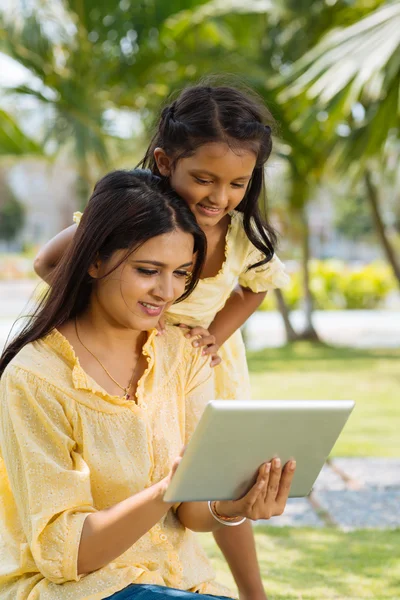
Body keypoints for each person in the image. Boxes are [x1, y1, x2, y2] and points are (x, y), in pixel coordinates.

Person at [33, 83, 290, 599]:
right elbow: (49, 262)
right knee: (140, 469)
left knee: (220, 475)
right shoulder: (134, 216)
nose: (219, 198)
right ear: (164, 162)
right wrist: (112, 318)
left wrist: (212, 337)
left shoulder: (238, 233)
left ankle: (253, 591)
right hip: (134, 346)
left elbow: (255, 287)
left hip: (199, 359)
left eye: (238, 183)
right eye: (204, 180)